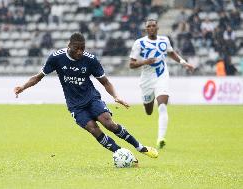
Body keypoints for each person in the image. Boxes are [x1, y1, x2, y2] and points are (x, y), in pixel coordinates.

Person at [14, 32, 158, 162]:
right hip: (75, 105)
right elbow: (38, 77)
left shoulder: (90, 60)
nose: (80, 52)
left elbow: (105, 82)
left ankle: (140, 147)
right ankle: (121, 154)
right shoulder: (56, 58)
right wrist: (23, 87)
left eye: (82, 48)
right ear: (68, 46)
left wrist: (116, 96)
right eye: (77, 48)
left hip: (91, 98)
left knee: (109, 123)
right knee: (93, 128)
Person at [129, 19, 194, 149]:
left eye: (154, 25)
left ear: (157, 27)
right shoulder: (139, 43)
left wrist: (183, 62)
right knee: (148, 111)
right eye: (149, 26)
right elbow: (131, 64)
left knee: (163, 106)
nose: (152, 28)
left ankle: (160, 138)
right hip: (146, 80)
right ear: (146, 29)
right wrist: (145, 62)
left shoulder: (164, 40)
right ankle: (149, 100)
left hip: (161, 76)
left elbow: (171, 53)